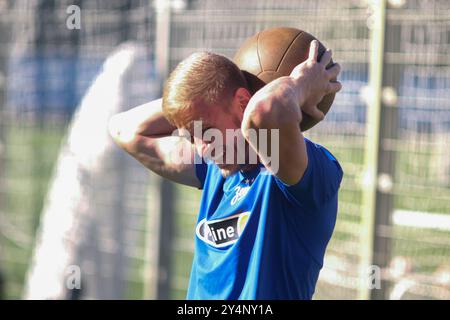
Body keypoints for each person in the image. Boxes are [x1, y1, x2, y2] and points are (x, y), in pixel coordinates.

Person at [108, 40, 343, 299]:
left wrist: (301, 83)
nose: (201, 149)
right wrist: (197, 99)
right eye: (190, 136)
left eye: (206, 131)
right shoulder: (214, 169)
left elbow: (265, 112)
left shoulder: (306, 173)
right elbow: (123, 128)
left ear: (244, 102)